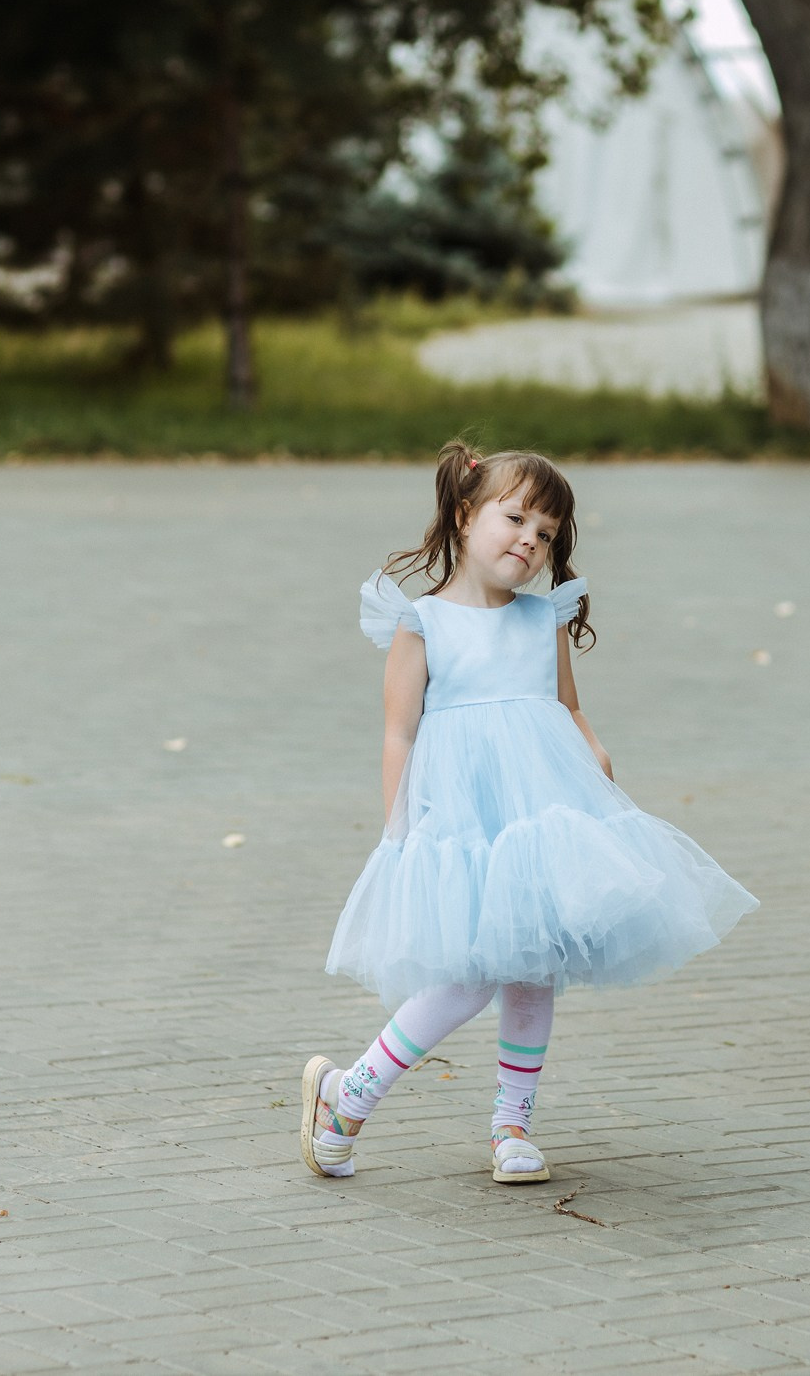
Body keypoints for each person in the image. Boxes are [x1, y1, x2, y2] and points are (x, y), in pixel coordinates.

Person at [301, 441, 758, 1184]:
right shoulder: (422, 623)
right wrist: (399, 826)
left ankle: (512, 1121)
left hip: (545, 812)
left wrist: (594, 753)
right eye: (514, 518)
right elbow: (398, 730)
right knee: (467, 974)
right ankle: (348, 1094)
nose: (529, 540)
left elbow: (565, 703)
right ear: (464, 515)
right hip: (461, 822)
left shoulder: (541, 617)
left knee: (534, 966)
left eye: (546, 532)